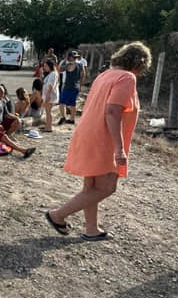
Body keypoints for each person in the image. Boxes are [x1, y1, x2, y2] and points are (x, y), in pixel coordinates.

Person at [45, 42, 152, 240]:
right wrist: (119, 148)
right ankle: (57, 215)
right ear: (140, 63)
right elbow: (112, 111)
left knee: (91, 187)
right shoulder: (126, 77)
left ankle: (91, 229)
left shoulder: (105, 75)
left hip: (88, 133)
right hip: (103, 139)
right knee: (106, 187)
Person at [0, 86, 35, 157]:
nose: (0, 98)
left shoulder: (2, 101)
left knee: (17, 121)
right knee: (3, 136)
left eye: (1, 96)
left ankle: (4, 139)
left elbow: (6, 114)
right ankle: (23, 151)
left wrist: (16, 118)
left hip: (0, 123)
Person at [57, 51, 84, 125]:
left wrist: (64, 61)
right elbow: (83, 75)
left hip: (68, 86)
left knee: (62, 103)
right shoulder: (80, 65)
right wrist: (80, 85)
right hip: (76, 86)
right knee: (73, 104)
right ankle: (72, 119)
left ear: (70, 57)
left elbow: (60, 69)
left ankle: (63, 117)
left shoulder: (69, 65)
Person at [42, 57, 58, 132]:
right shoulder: (51, 74)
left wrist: (47, 96)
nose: (44, 68)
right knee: (47, 111)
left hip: (50, 96)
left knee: (48, 112)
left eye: (46, 66)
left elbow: (51, 86)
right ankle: (47, 125)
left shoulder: (53, 74)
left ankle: (49, 127)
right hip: (49, 95)